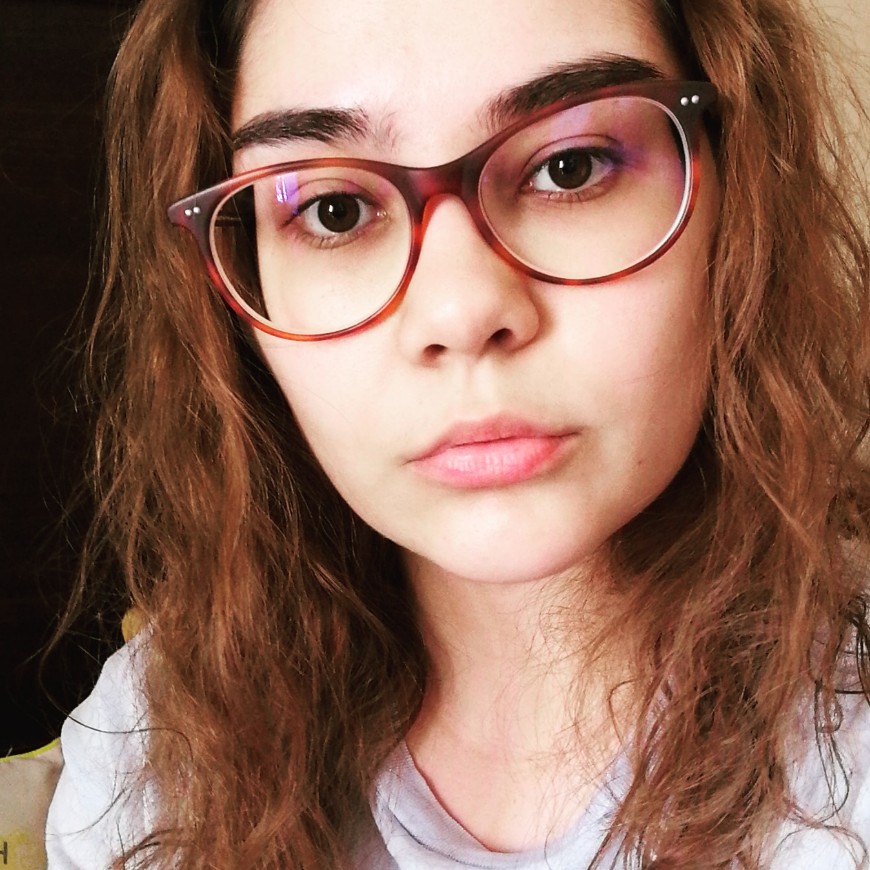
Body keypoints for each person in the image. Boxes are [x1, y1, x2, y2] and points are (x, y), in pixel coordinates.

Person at [44, 0, 870, 866]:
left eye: (571, 166)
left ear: (738, 203)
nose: (461, 310)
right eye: (333, 210)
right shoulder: (147, 762)